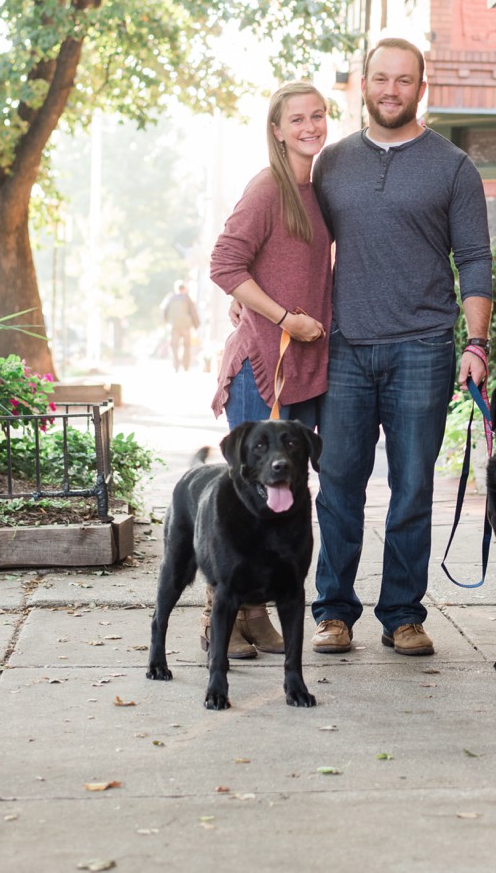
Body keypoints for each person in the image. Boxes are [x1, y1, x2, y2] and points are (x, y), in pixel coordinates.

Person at [310, 38, 492, 659]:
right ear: (363, 82)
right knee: (338, 485)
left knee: (413, 486)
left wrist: (476, 343)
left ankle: (403, 615)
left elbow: (474, 258)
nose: (392, 90)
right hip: (345, 348)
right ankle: (333, 612)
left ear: (422, 86)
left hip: (423, 348)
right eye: (381, 78)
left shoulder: (452, 167)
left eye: (405, 80)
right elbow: (300, 243)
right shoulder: (330, 164)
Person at [205, 79, 332, 658]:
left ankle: (255, 619)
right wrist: (283, 318)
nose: (310, 126)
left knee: (282, 500)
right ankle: (221, 621)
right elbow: (224, 262)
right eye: (296, 119)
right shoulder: (267, 188)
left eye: (318, 116)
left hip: (302, 366)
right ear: (277, 129)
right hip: (265, 365)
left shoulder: (313, 189)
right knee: (246, 499)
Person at [162, 281, 200, 372]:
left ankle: (176, 365)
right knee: (186, 346)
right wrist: (196, 324)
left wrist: (167, 322)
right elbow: (193, 312)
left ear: (176, 289)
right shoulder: (187, 298)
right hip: (186, 326)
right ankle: (185, 366)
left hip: (174, 326)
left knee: (174, 346)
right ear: (184, 289)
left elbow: (164, 310)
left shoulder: (170, 298)